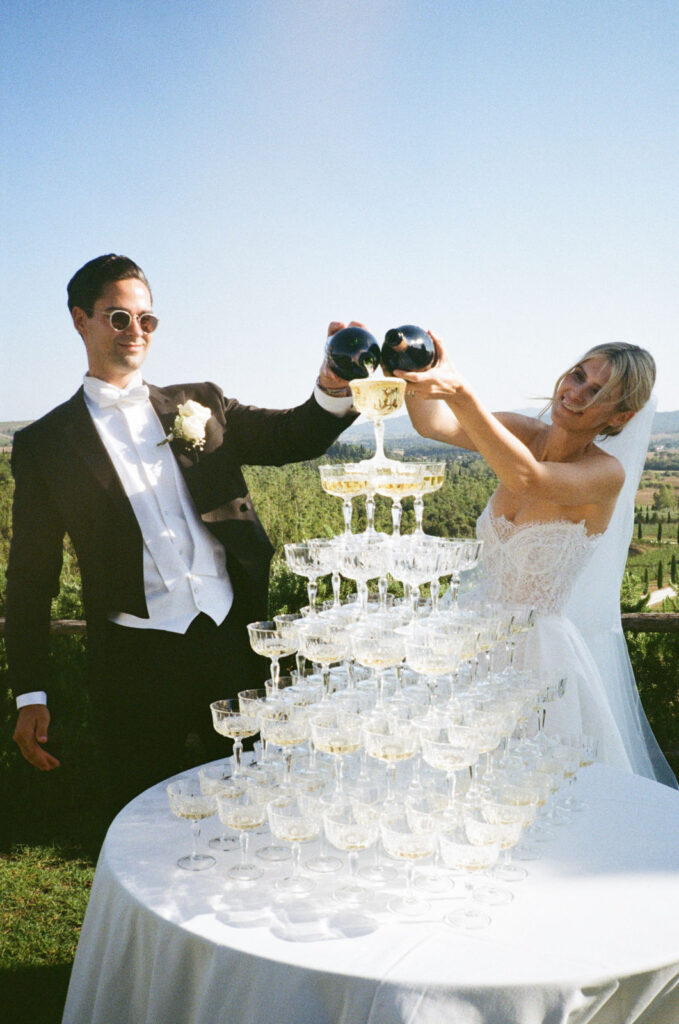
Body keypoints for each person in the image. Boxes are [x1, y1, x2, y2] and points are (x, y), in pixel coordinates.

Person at [7, 253, 358, 811]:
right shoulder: (45, 444)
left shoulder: (201, 403)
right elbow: (30, 576)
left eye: (146, 319)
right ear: (80, 320)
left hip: (231, 638)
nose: (136, 330)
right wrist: (31, 691)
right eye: (119, 317)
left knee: (255, 798)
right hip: (135, 663)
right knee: (147, 812)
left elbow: (292, 436)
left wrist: (332, 385)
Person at [399, 335, 677, 788]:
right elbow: (434, 426)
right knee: (447, 779)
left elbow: (527, 476)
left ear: (620, 416)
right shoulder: (523, 432)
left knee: (528, 790)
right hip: (470, 641)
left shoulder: (606, 474)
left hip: (538, 659)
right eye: (578, 376)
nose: (576, 392)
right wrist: (410, 370)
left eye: (597, 392)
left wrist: (462, 393)